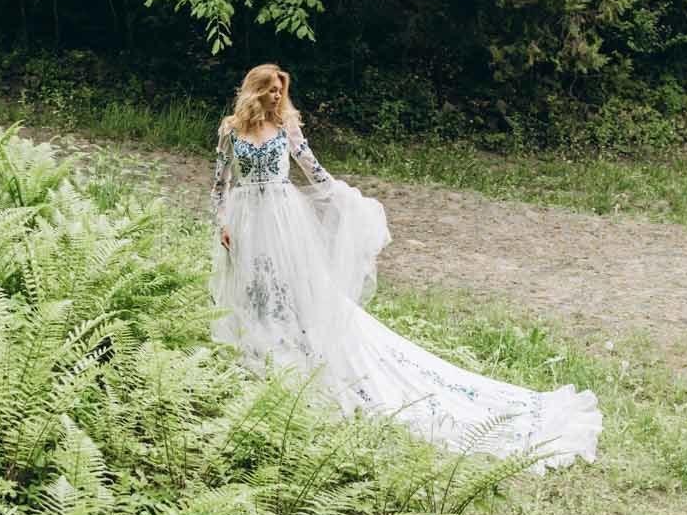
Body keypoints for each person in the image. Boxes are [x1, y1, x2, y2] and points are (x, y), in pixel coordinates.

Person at [210, 63, 600, 469]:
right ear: (254, 90)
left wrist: (348, 201)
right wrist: (223, 221)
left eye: (281, 90)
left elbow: (315, 172)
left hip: (284, 218)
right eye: (271, 90)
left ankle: (296, 357)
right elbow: (220, 185)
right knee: (256, 292)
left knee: (294, 291)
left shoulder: (287, 128)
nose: (277, 96)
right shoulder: (230, 131)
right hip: (246, 221)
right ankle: (260, 359)